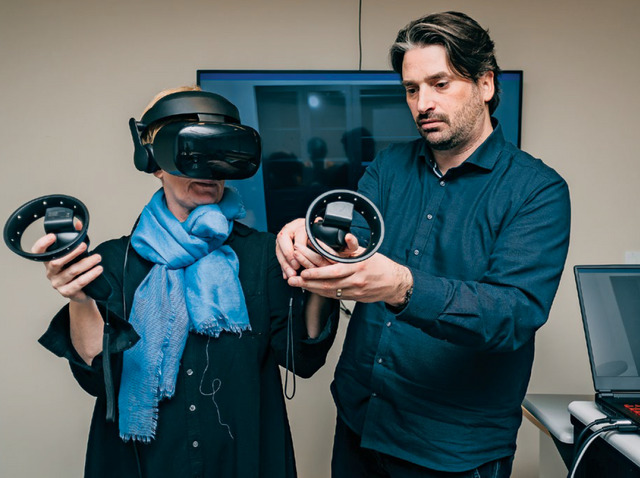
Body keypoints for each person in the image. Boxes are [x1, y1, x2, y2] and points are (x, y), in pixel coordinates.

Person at [276, 11, 571, 478]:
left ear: (486, 84)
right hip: (360, 422)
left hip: (452, 450)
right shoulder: (388, 168)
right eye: (412, 89)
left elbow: (513, 313)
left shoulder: (537, 191)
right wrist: (305, 237)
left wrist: (402, 286)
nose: (422, 104)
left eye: (440, 83)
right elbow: (346, 242)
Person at [35, 86, 339, 478]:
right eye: (191, 155)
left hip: (243, 459)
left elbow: (304, 356)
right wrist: (80, 299)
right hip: (143, 463)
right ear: (153, 162)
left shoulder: (265, 253)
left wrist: (319, 278)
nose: (208, 172)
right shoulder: (112, 260)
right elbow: (98, 377)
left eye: (220, 155)